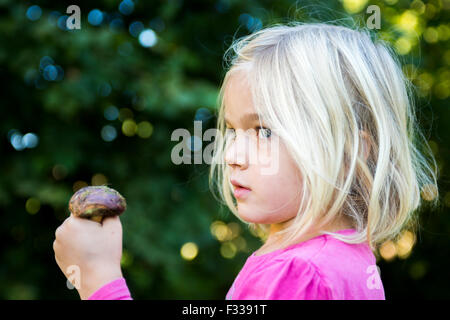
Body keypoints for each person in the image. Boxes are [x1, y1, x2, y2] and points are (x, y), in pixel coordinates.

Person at [53, 21, 439, 300]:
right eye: (233, 133)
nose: (232, 156)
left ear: (350, 152)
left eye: (265, 131)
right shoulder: (346, 262)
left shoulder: (298, 275)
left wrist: (97, 281)